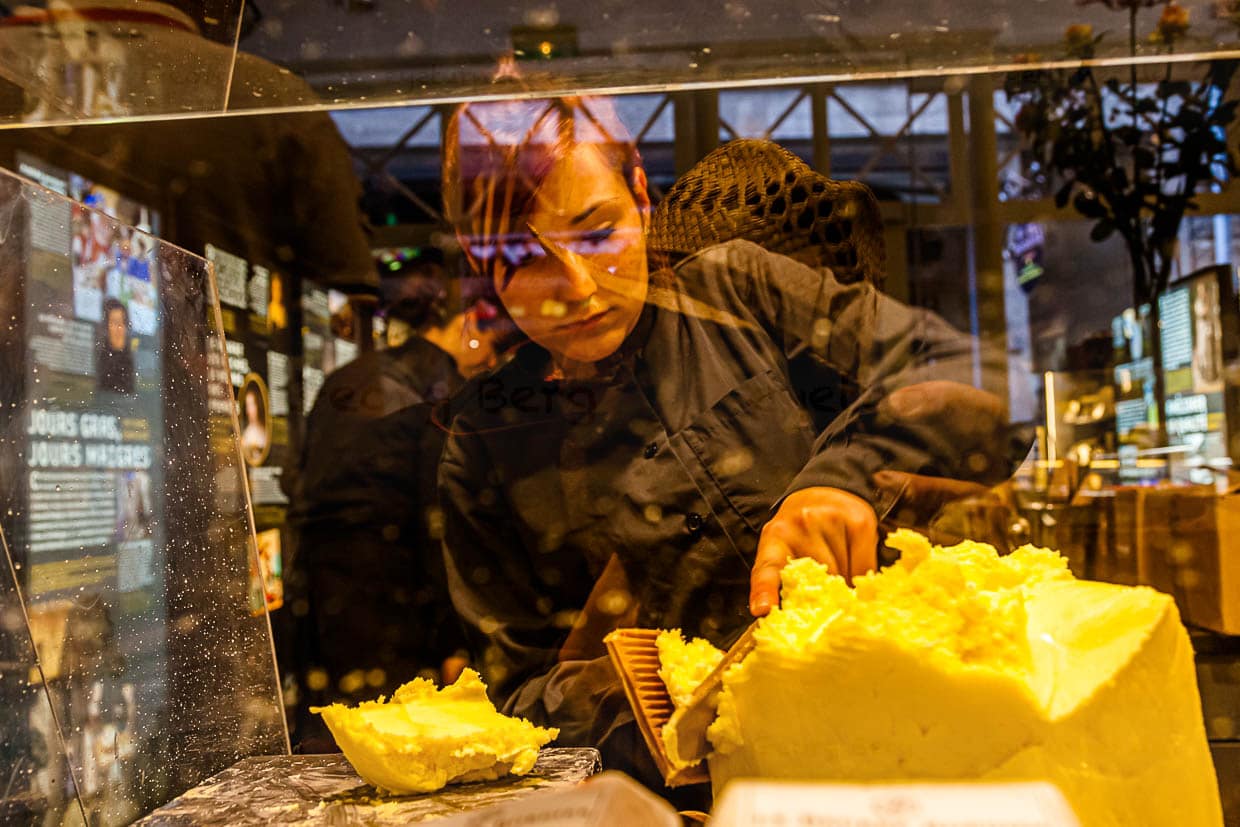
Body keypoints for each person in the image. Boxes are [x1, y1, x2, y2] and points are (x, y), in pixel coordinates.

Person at [436, 95, 1021, 792]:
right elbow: (512, 703)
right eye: (527, 259)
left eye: (598, 233)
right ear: (478, 258)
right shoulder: (485, 438)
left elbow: (976, 375)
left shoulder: (738, 290)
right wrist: (653, 691)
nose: (579, 287)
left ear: (641, 197)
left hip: (900, 737)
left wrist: (842, 478)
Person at [285, 252, 500, 748]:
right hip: (396, 616)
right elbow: (438, 520)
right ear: (469, 324)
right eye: (494, 338)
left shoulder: (348, 377)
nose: (492, 359)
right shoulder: (445, 392)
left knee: (332, 751)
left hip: (319, 606)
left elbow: (300, 481)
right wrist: (453, 638)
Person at [96, 297, 134, 394]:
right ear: (105, 327)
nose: (120, 328)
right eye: (116, 323)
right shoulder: (98, 361)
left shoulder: (131, 360)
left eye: (123, 322)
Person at [239, 382, 269, 465]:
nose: (248, 411)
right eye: (247, 406)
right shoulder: (248, 434)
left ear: (258, 404)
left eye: (251, 405)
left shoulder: (266, 428)